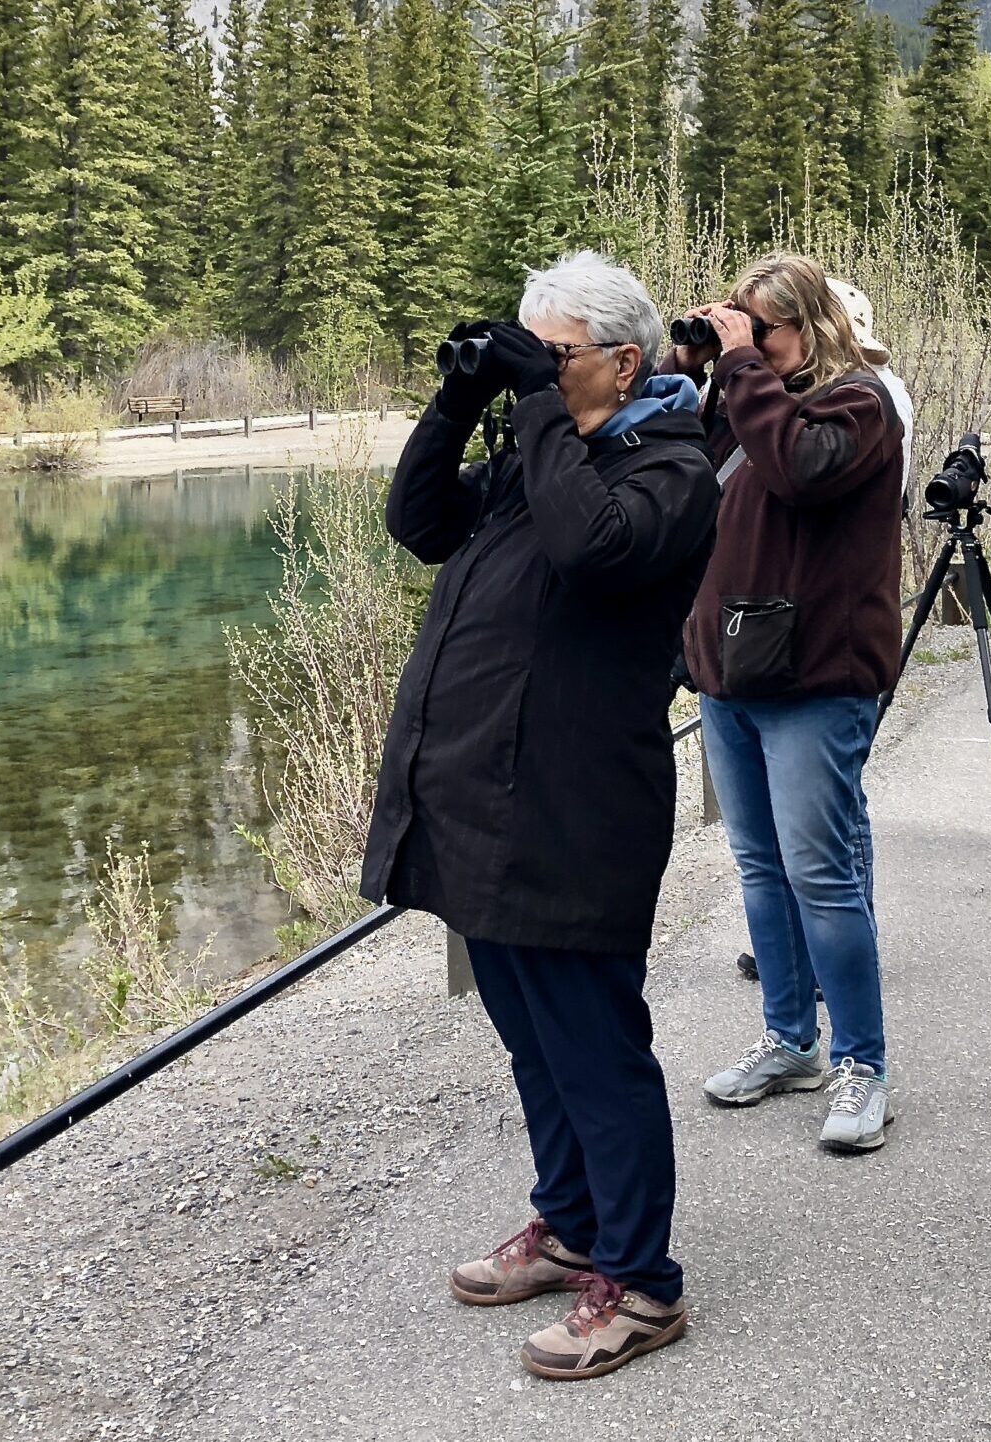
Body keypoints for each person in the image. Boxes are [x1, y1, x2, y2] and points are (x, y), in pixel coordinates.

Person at [360, 250, 719, 1378]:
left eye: (552, 352)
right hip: (484, 797)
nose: (535, 371)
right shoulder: (537, 453)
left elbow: (591, 546)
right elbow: (416, 523)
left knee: (595, 1048)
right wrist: (463, 392)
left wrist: (529, 411)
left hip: (575, 807)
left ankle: (645, 1283)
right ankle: (571, 1225)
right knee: (532, 1042)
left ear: (624, 359)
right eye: (527, 349)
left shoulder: (671, 465)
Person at [665, 253, 906, 1153]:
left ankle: (863, 1064)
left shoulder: (859, 404)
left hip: (816, 679)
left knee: (823, 875)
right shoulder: (740, 401)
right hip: (731, 673)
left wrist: (741, 371)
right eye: (740, 326)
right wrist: (689, 378)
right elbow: (688, 489)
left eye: (763, 327)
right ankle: (790, 1039)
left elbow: (801, 466)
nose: (748, 343)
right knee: (760, 869)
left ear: (810, 326)